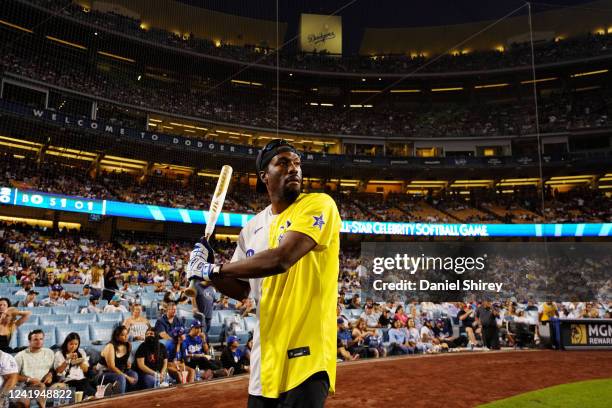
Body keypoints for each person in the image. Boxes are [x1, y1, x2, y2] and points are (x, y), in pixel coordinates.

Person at [187, 139, 341, 407]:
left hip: (307, 354)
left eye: (297, 163)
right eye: (283, 162)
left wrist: (214, 268)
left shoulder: (318, 204)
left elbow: (281, 259)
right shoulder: (252, 227)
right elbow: (242, 289)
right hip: (265, 356)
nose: (294, 168)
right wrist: (207, 273)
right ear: (264, 176)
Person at [14, 329, 56, 408]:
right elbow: (13, 376)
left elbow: (53, 369)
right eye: (35, 339)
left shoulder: (49, 352)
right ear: (29, 341)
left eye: (41, 339)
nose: (39, 341)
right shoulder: (20, 356)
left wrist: (50, 374)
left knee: (62, 387)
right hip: (27, 386)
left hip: (46, 383)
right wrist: (29, 379)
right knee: (41, 386)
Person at [96, 325, 138, 394]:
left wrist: (127, 364)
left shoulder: (128, 345)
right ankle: (120, 398)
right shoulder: (110, 346)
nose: (126, 336)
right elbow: (111, 367)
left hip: (119, 371)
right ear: (117, 337)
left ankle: (126, 395)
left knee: (134, 375)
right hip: (104, 373)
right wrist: (127, 377)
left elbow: (122, 360)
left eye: (127, 334)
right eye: (122, 335)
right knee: (121, 378)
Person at [53, 332, 95, 397]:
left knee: (88, 386)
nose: (73, 346)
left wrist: (80, 362)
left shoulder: (81, 352)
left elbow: (86, 370)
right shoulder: (59, 354)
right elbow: (58, 371)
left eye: (76, 344)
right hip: (68, 380)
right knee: (84, 389)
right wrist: (67, 360)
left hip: (81, 379)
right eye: (71, 344)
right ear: (66, 343)